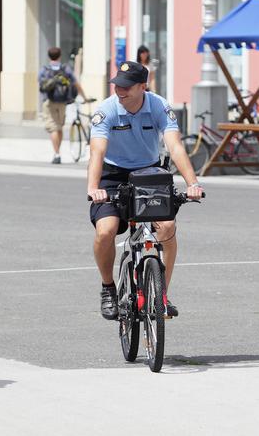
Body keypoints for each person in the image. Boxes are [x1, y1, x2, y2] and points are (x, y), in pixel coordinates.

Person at [87, 61, 204, 320]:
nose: (120, 90)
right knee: (105, 231)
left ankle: (161, 296)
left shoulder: (159, 106)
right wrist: (94, 188)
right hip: (112, 174)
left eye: (127, 86)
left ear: (143, 86)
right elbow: (97, 152)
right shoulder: (106, 110)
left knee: (167, 227)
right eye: (117, 85)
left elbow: (175, 147)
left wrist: (192, 184)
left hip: (149, 173)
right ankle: (108, 288)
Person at [39, 47, 88, 164]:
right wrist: (84, 97)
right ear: (60, 56)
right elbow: (75, 83)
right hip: (62, 102)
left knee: (53, 128)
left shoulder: (45, 69)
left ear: (49, 56)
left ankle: (57, 154)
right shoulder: (65, 69)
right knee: (59, 127)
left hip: (49, 102)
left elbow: (41, 85)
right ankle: (58, 150)